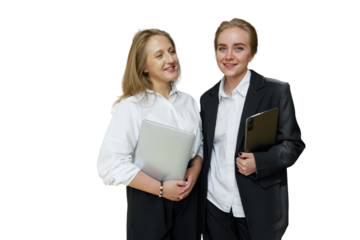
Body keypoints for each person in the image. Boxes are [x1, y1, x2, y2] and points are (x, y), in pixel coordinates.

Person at [196, 16, 306, 240]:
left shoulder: (276, 91)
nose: (229, 56)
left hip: (259, 209)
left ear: (252, 54)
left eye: (238, 48)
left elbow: (294, 146)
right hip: (214, 208)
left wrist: (261, 162)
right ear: (214, 53)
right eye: (222, 48)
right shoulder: (206, 99)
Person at [96, 24, 203, 240]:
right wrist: (162, 189)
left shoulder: (189, 101)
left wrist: (195, 172)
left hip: (188, 197)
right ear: (144, 66)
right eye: (159, 55)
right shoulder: (131, 107)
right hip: (149, 201)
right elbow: (109, 165)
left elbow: (199, 146)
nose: (170, 59)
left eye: (171, 51)